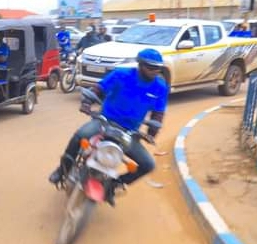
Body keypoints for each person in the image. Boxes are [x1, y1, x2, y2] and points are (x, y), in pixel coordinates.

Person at [48, 48, 168, 206]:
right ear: (140, 65)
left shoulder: (160, 86)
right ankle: (62, 171)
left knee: (148, 164)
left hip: (129, 133)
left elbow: (158, 113)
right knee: (80, 135)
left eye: (157, 68)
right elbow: (99, 89)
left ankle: (113, 185)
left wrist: (152, 132)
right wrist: (87, 102)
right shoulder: (121, 75)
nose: (154, 71)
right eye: (150, 67)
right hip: (104, 122)